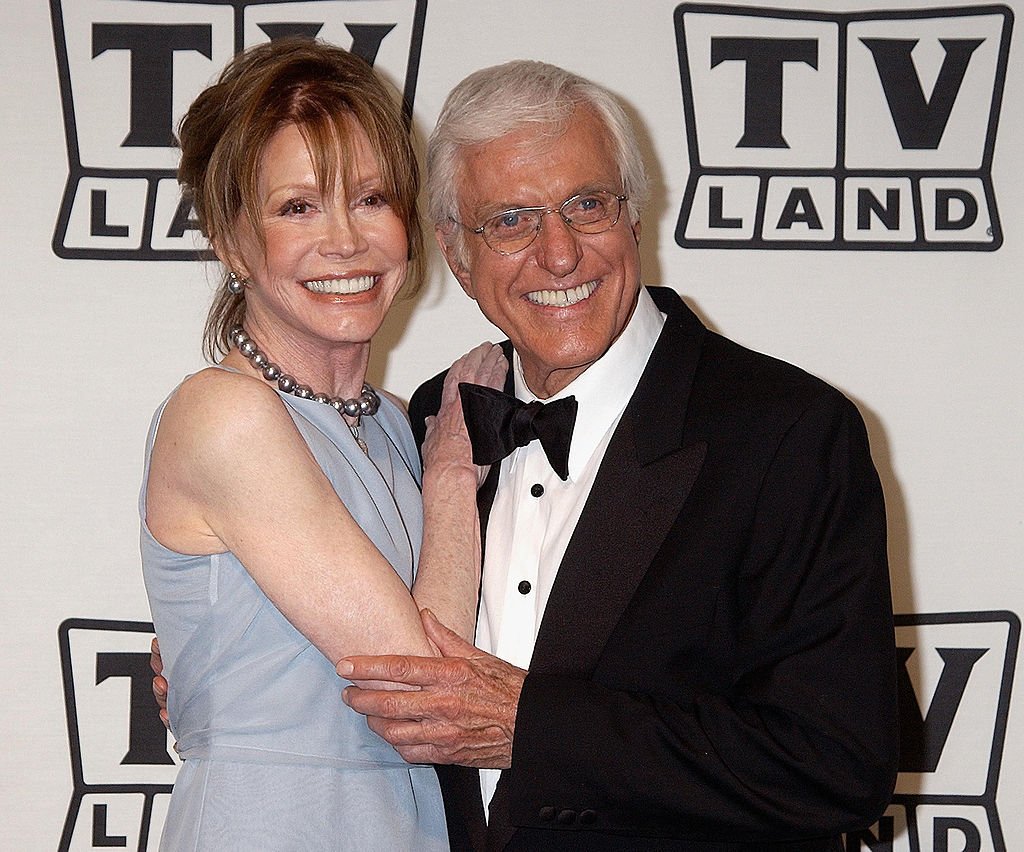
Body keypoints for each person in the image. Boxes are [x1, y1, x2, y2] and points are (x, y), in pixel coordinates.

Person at [337, 60, 900, 850]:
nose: (560, 254)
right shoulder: (438, 416)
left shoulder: (786, 432)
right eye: (511, 220)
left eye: (586, 205)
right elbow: (364, 643)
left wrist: (529, 727)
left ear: (634, 216)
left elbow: (835, 764)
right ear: (456, 255)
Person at [140, 38, 504, 850]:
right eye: (298, 206)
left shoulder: (393, 423)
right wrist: (452, 476)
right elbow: (419, 691)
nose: (345, 242)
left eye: (371, 199)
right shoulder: (223, 414)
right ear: (235, 241)